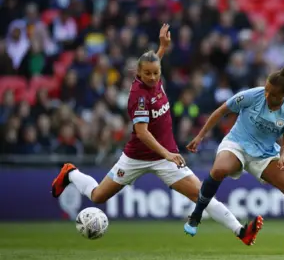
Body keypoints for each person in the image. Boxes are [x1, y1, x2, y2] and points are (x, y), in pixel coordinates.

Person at [51, 25, 262, 246]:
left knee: (202, 195)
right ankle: (70, 173)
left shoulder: (154, 76)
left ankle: (241, 232)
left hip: (164, 157)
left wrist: (162, 47)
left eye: (156, 73)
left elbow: (154, 62)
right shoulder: (138, 96)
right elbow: (142, 133)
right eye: (148, 74)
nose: (152, 77)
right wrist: (168, 154)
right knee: (98, 196)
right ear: (138, 74)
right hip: (137, 157)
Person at [185, 66, 284, 255]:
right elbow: (221, 111)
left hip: (265, 154)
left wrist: (283, 158)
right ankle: (196, 215)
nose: (267, 96)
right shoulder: (253, 95)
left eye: (273, 94)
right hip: (237, 144)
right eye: (266, 90)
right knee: (219, 170)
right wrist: (200, 136)